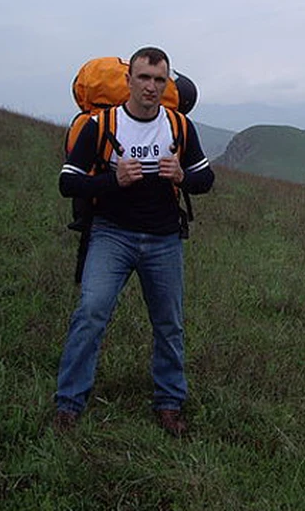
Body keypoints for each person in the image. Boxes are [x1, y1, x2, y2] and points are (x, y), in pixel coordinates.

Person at [53, 46, 214, 436]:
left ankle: (170, 404)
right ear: (128, 81)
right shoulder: (103, 124)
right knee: (91, 313)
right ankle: (68, 405)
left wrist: (181, 176)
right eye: (144, 78)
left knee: (169, 324)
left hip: (163, 239)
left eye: (160, 80)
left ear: (167, 84)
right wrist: (113, 180)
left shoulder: (179, 126)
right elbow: (67, 182)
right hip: (112, 234)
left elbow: (205, 179)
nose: (151, 87)